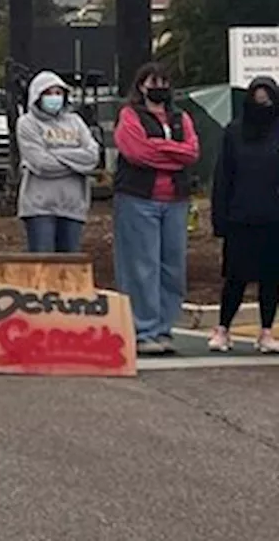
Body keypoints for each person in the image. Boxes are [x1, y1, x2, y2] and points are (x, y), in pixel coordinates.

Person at [112, 62, 200, 356]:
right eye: (153, 81)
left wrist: (160, 148)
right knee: (141, 265)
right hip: (138, 199)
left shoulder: (181, 117)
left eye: (164, 81)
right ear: (141, 85)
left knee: (172, 267)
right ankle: (143, 329)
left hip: (175, 200)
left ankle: (164, 328)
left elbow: (192, 152)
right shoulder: (129, 115)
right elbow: (136, 153)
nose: (159, 86)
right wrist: (173, 153)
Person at [208, 76, 279, 353]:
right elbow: (223, 178)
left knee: (271, 278)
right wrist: (220, 218)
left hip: (274, 218)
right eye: (258, 99)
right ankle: (223, 329)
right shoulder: (234, 132)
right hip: (240, 216)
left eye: (268, 100)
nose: (263, 105)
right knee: (235, 277)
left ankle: (266, 332)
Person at [15, 70, 101, 252]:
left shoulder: (76, 121)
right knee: (43, 268)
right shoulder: (27, 123)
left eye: (58, 93)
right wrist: (76, 162)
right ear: (37, 96)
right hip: (39, 208)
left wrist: (55, 153)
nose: (54, 98)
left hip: (73, 206)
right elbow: (41, 164)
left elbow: (92, 157)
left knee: (70, 268)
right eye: (48, 93)